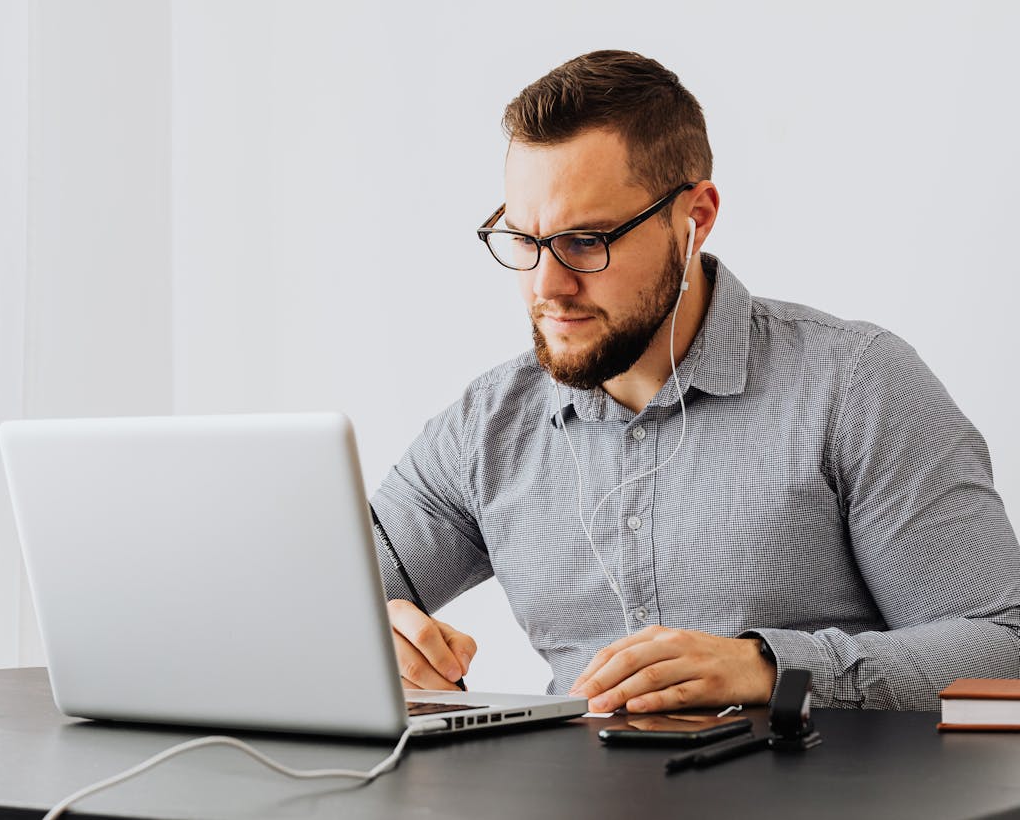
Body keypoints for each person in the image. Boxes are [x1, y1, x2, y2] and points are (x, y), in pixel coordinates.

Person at [372, 50, 1020, 712]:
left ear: (696, 217)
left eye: (587, 241)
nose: (546, 287)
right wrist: (369, 639)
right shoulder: (484, 428)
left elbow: (1006, 649)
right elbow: (307, 597)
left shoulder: (857, 387)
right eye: (523, 238)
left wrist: (772, 667)